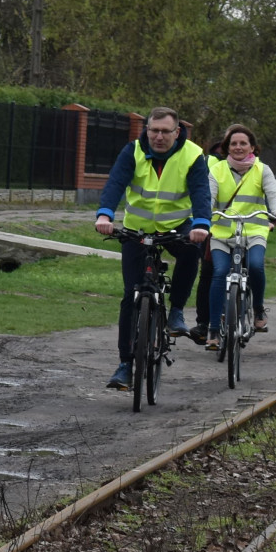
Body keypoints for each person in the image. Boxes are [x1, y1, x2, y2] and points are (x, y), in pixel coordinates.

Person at [95, 107, 212, 390]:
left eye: (165, 131)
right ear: (146, 129)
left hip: (177, 225)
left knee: (191, 252)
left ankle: (177, 312)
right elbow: (115, 183)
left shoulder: (193, 154)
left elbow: (200, 191)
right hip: (138, 227)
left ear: (177, 132)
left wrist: (201, 224)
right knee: (129, 296)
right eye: (153, 130)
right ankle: (125, 365)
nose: (158, 137)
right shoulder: (132, 150)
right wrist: (105, 214)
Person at [204, 124, 276, 351]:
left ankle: (258, 308)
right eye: (234, 143)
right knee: (220, 272)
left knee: (257, 267)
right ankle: (213, 329)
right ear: (226, 147)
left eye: (243, 143)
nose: (238, 147)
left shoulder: (263, 169)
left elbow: (273, 194)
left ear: (252, 146)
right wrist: (202, 217)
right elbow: (208, 198)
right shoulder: (217, 170)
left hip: (254, 231)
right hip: (221, 233)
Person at [189, 140, 225, 345]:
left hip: (245, 227)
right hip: (212, 227)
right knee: (209, 272)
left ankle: (244, 308)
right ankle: (204, 323)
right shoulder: (209, 162)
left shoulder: (252, 164)